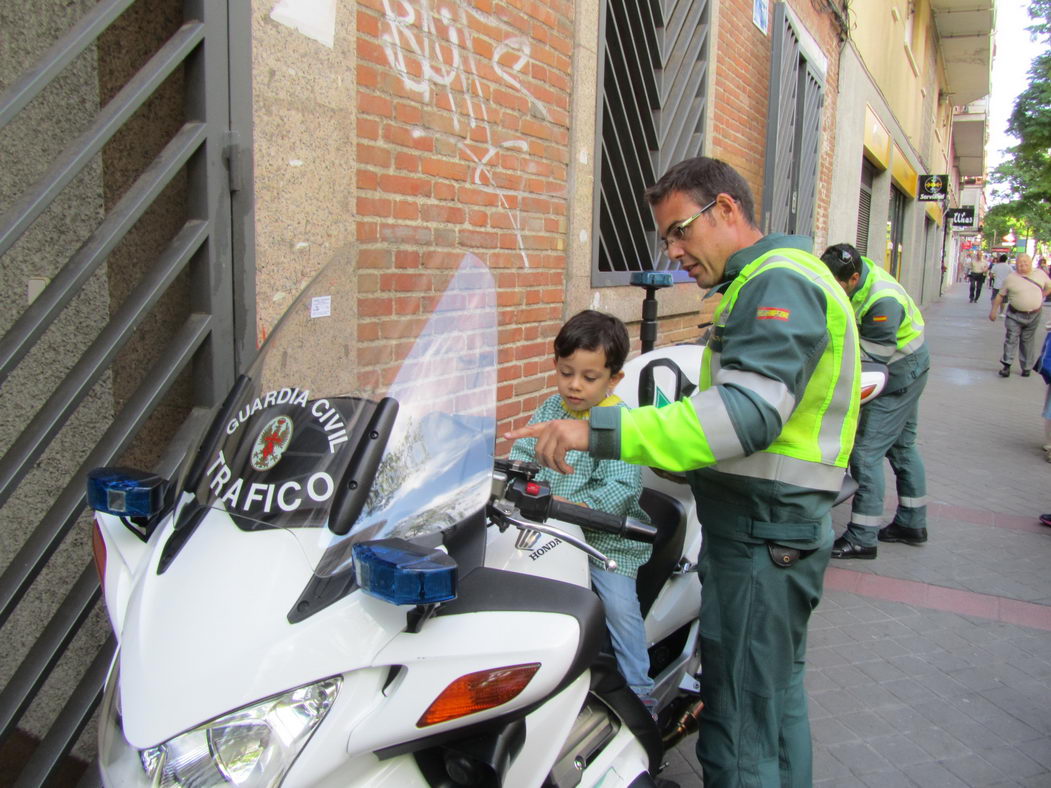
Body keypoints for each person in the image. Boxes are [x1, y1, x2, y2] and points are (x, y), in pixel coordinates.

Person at [507, 156, 860, 787]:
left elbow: (745, 415)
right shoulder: (763, 284)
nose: (673, 252)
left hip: (763, 535)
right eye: (666, 237)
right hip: (762, 531)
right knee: (772, 705)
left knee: (742, 722)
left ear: (725, 209)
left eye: (680, 230)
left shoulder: (779, 284)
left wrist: (603, 430)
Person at [508, 309, 655, 704]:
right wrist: (511, 474)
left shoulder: (620, 423)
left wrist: (569, 504)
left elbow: (619, 490)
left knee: (619, 608)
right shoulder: (549, 411)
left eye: (589, 378)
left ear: (614, 379)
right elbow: (523, 453)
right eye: (566, 372)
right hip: (549, 532)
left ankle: (641, 693)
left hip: (603, 542)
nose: (574, 386)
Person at [819, 244, 930, 558]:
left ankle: (862, 538)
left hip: (899, 372)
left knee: (866, 453)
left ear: (854, 278)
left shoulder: (882, 299)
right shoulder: (849, 276)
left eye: (837, 286)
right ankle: (911, 523)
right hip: (910, 367)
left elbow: (875, 357)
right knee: (903, 446)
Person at [989, 253, 1051, 377]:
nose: (1023, 265)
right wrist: (993, 311)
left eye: (1025, 262)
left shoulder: (1040, 274)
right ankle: (1007, 365)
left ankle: (1026, 367)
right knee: (1011, 338)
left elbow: (1049, 287)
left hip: (1034, 314)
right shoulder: (1011, 278)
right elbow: (1000, 295)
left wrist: (1042, 295)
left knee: (1027, 341)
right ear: (1016, 264)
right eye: (1020, 263)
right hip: (1014, 314)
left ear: (1030, 263)